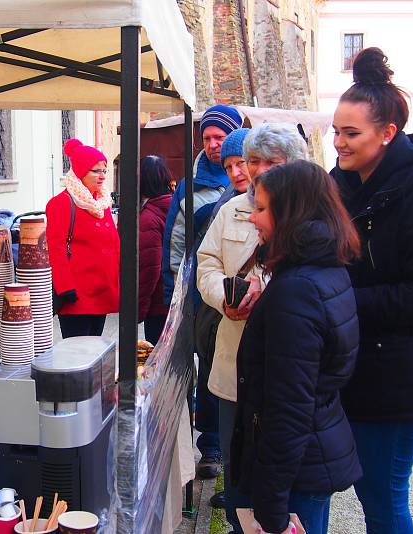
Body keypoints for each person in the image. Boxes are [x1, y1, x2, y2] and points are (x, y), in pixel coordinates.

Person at [330, 48, 413, 534]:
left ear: (387, 134)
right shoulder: (342, 182)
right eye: (337, 131)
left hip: (403, 372)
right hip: (364, 365)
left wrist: (338, 304)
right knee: (374, 491)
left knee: (383, 494)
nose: (339, 143)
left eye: (352, 133)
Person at [231, 160, 363, 534]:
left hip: (295, 475)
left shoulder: (298, 288)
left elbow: (289, 409)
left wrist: (272, 513)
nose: (253, 219)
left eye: (260, 209)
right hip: (307, 461)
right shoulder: (321, 267)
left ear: (291, 212)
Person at [197, 123, 308, 531]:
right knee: (237, 467)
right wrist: (224, 294)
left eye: (270, 162)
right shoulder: (232, 209)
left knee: (283, 479)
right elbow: (205, 263)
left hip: (283, 373)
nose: (258, 170)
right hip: (232, 367)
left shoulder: (311, 216)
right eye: (253, 161)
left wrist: (269, 292)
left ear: (293, 166)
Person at [162, 103, 243, 481]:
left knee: (224, 370)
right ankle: (210, 447)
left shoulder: (246, 178)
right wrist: (173, 296)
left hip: (236, 300)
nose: (213, 144)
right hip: (199, 297)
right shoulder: (189, 187)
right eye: (207, 137)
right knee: (202, 371)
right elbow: (177, 246)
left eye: (220, 137)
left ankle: (220, 447)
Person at [46, 138, 120, 338]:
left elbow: (113, 245)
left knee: (95, 352)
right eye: (96, 171)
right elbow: (56, 249)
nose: (102, 176)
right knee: (77, 355)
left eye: (104, 170)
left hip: (102, 291)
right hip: (77, 295)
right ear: (80, 172)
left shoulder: (102, 203)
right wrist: (65, 287)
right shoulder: (61, 203)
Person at [137, 155, 174, 345]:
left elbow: (149, 268)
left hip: (158, 305)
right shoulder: (175, 205)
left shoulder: (148, 217)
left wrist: (138, 310)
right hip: (174, 299)